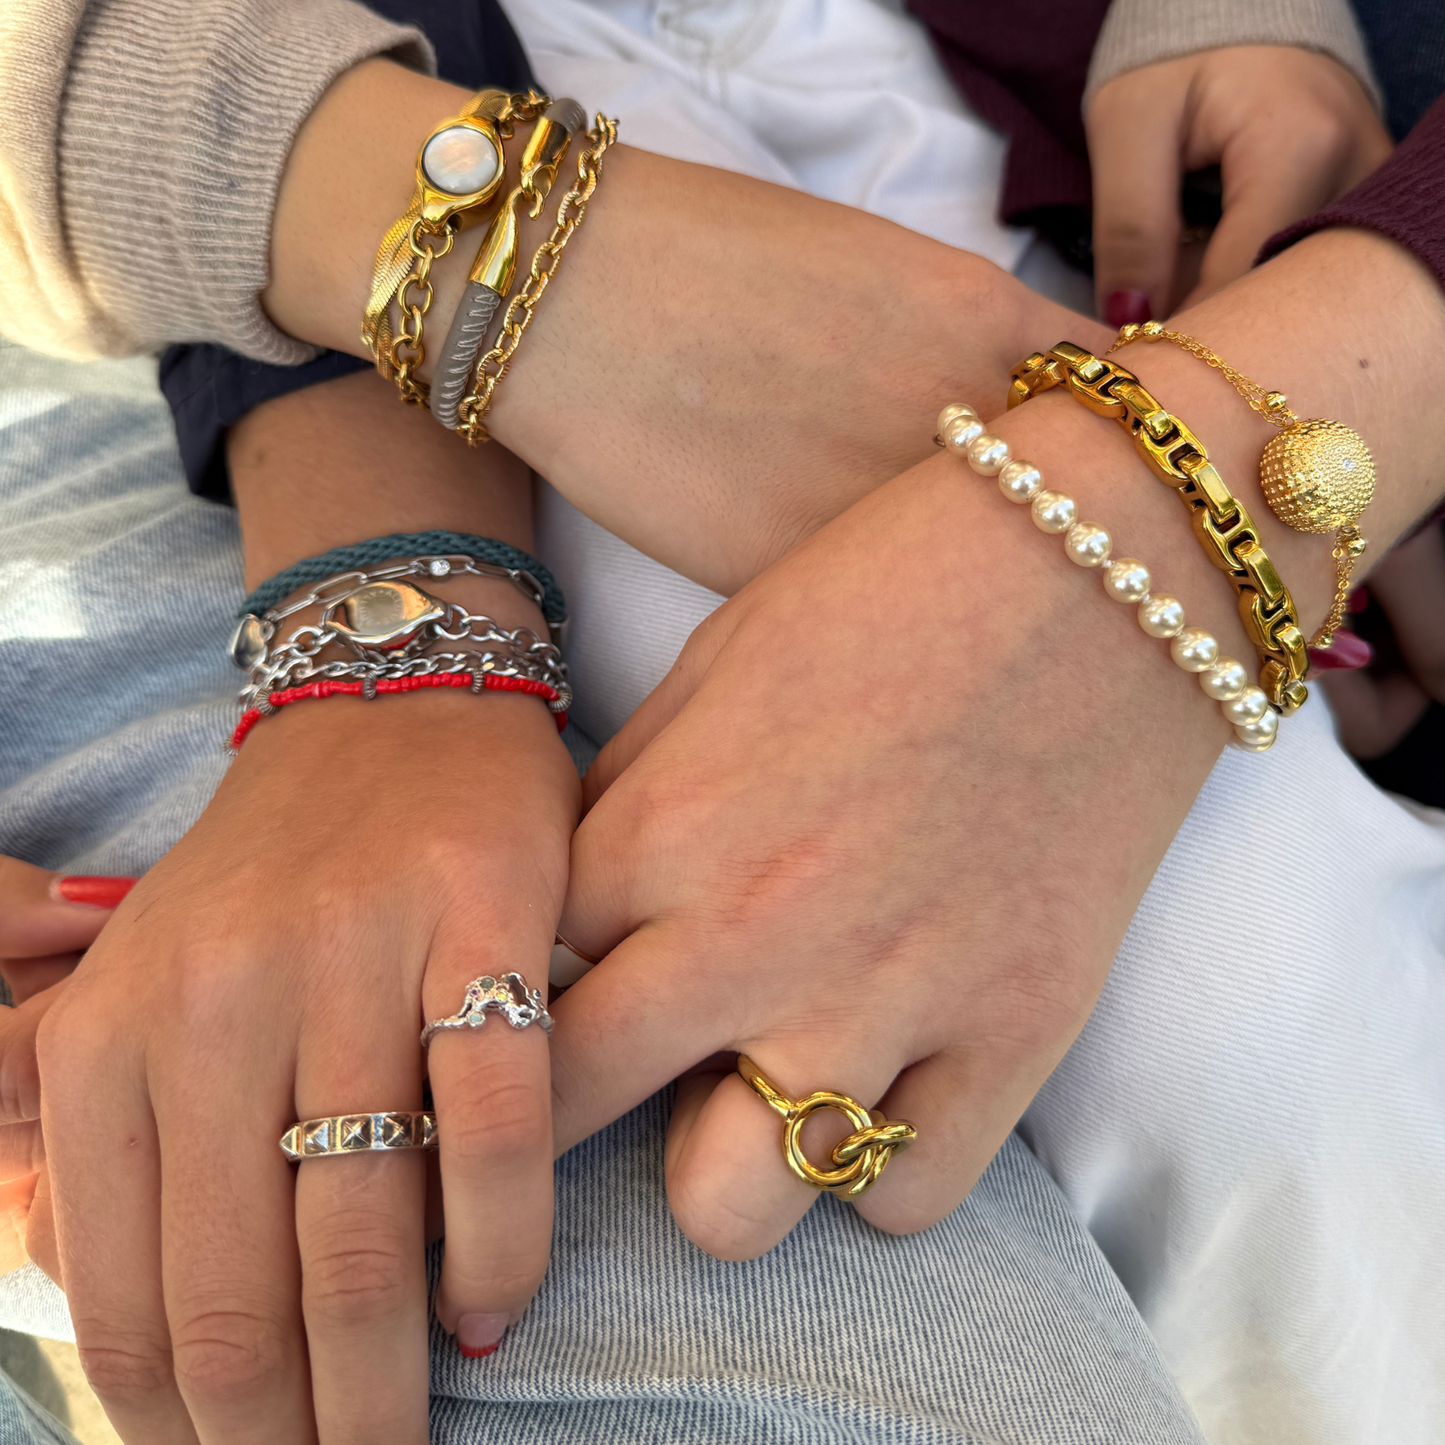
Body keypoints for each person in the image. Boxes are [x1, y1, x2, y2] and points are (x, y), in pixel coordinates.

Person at [2, 1, 1445, 1442]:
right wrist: (411, 631)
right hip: (309, 289)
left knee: (1251, 1024)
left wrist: (1270, 433)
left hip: (1157, 241)